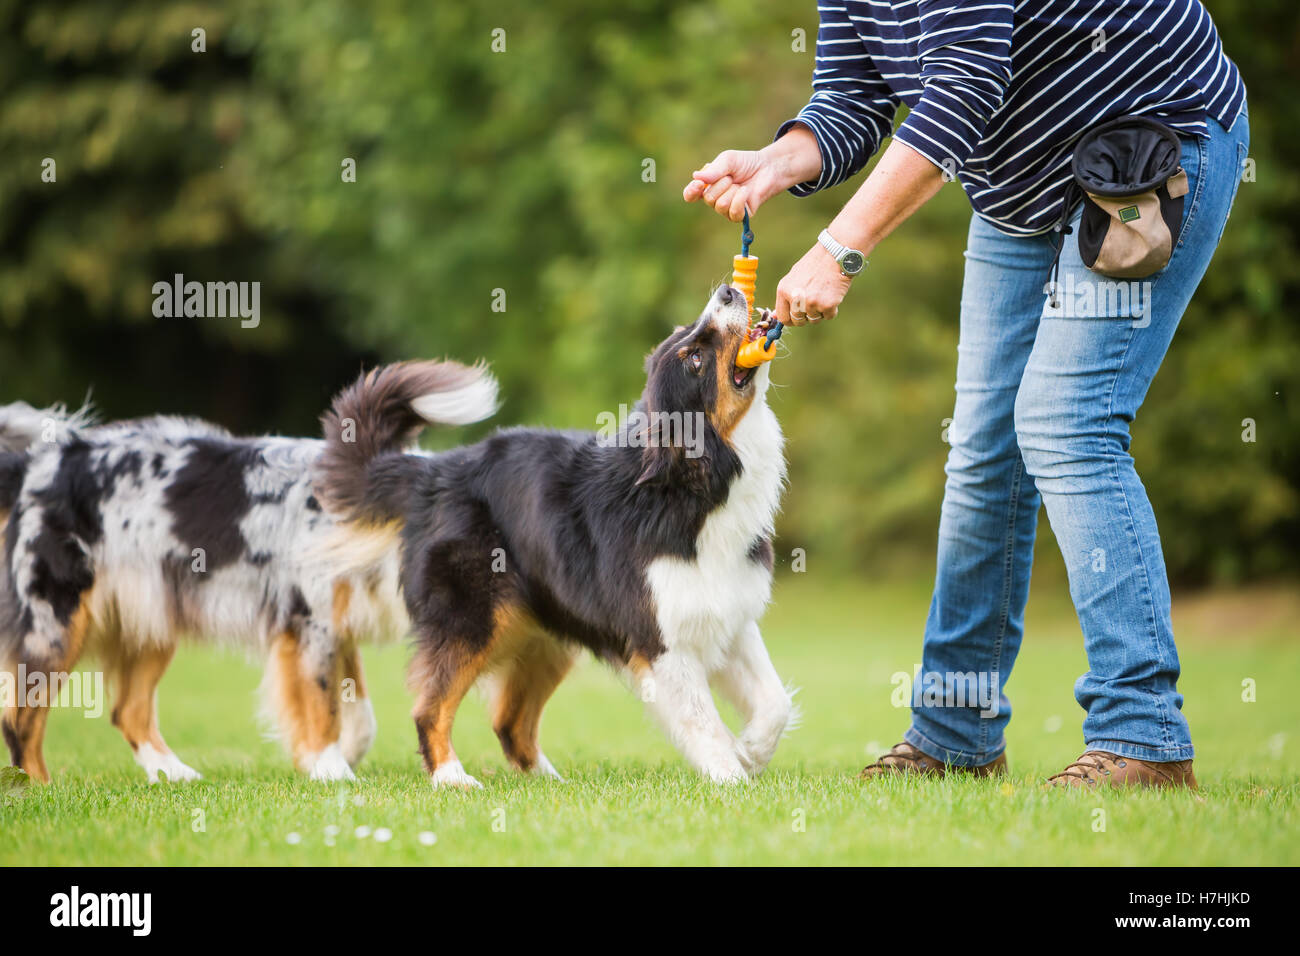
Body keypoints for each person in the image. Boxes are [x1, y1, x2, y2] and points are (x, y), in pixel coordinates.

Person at [684, 0, 1248, 788]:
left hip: (1145, 152)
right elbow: (853, 96)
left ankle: (1143, 736)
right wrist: (781, 159)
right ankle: (956, 734)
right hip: (1017, 191)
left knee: (1065, 423)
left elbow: (966, 83)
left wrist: (840, 247)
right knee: (984, 447)